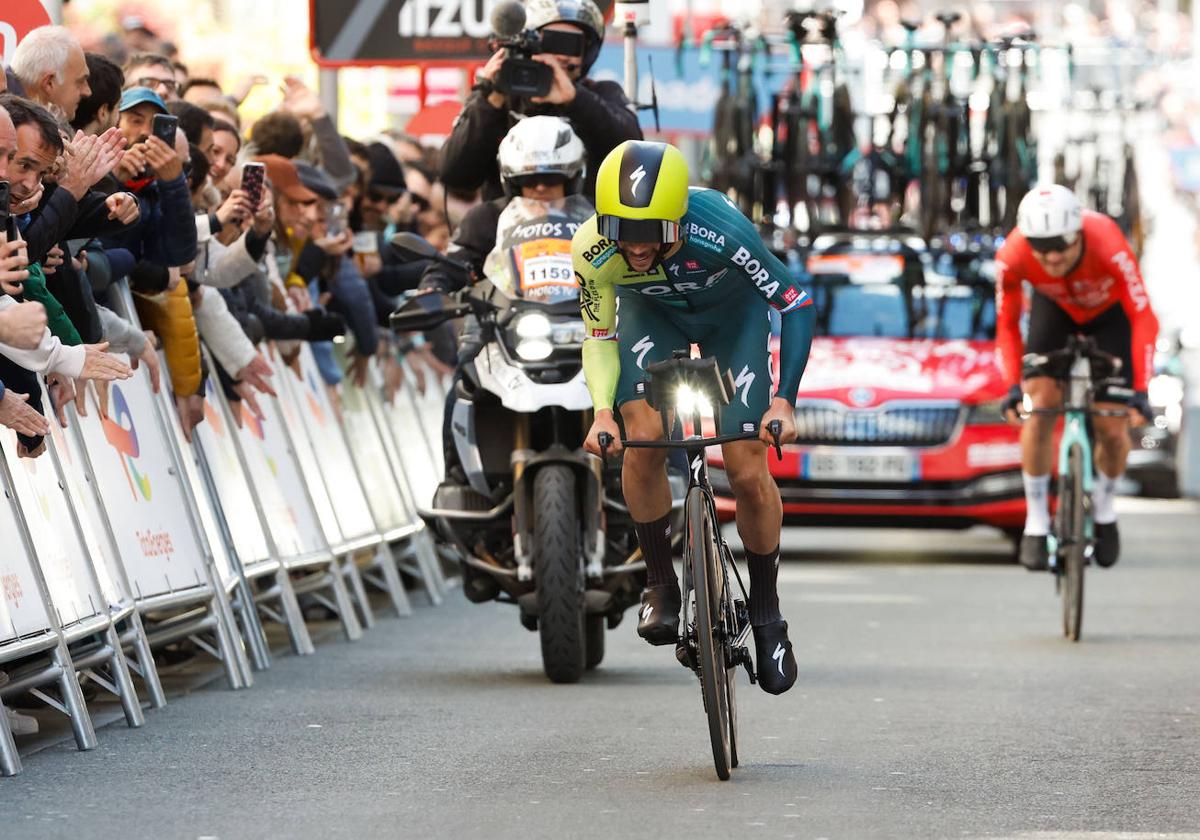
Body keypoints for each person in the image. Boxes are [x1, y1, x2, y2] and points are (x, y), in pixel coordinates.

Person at [573, 141, 816, 695]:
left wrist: (785, 401)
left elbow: (795, 303)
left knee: (748, 466)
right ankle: (659, 582)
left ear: (678, 220)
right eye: (620, 229)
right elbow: (599, 336)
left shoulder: (723, 233)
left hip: (733, 323)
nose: (634, 247)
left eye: (652, 232)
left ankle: (767, 615)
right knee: (644, 436)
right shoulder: (591, 250)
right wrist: (602, 412)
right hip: (653, 317)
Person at [997, 184, 1159, 571]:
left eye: (1061, 245)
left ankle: (1104, 508)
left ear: (1079, 234)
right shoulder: (1013, 253)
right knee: (1038, 406)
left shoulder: (1107, 241)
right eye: (1042, 247)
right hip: (1055, 312)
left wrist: (1140, 389)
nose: (1051, 257)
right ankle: (1036, 522)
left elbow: (1143, 317)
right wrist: (1012, 385)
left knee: (1111, 424)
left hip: (1111, 318)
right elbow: (1006, 322)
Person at [420, 115, 585, 488]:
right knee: (464, 383)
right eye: (530, 181)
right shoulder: (486, 218)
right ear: (511, 182)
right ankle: (459, 480)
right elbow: (454, 261)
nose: (541, 189)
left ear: (574, 178)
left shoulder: (598, 219)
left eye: (552, 179)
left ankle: (666, 473)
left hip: (587, 328)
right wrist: (434, 287)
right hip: (503, 327)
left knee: (645, 387)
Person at [440, 0, 641, 202]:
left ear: (587, 53)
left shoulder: (602, 94)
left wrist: (575, 100)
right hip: (505, 226)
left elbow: (634, 156)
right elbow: (456, 176)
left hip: (582, 225)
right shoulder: (498, 98)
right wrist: (489, 98)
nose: (560, 56)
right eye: (551, 42)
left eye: (571, 45)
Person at [9, 25, 92, 122]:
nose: (87, 92)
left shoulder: (16, 121)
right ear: (49, 83)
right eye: (80, 82)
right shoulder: (9, 127)